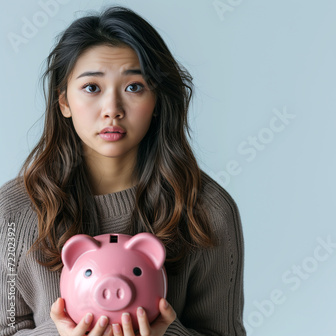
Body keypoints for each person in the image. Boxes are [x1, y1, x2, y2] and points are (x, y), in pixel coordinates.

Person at [0, 5, 246, 336]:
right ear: (64, 102)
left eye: (134, 87)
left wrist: (168, 334)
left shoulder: (207, 211)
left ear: (157, 99)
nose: (112, 110)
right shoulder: (13, 212)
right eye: (92, 88)